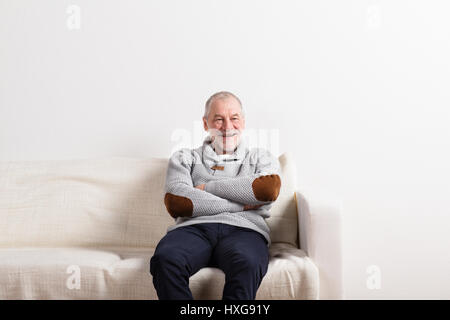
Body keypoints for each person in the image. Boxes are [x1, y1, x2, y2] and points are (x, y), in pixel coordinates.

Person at [150, 91, 281, 300]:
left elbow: (267, 190)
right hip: (192, 230)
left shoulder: (261, 157)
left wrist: (206, 189)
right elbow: (178, 202)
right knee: (166, 259)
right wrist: (240, 204)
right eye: (218, 119)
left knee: (248, 263)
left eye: (234, 118)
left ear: (243, 122)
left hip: (244, 231)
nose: (227, 127)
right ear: (205, 123)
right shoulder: (185, 157)